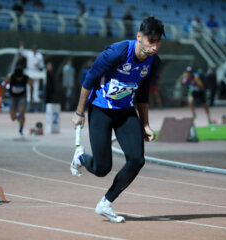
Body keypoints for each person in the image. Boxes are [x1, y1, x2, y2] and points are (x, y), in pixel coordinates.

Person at [71, 16, 165, 223]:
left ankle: (106, 203)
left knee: (137, 160)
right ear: (139, 37)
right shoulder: (118, 51)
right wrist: (79, 112)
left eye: (158, 41)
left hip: (125, 111)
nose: (155, 46)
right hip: (101, 110)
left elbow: (142, 94)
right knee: (102, 168)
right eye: (151, 41)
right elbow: (89, 79)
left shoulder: (153, 62)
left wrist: (145, 125)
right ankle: (80, 158)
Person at [1, 67, 33, 137]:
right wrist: (2, 97)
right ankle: (17, 117)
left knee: (22, 113)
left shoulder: (27, 78)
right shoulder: (10, 77)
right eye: (17, 78)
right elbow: (3, 87)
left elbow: (31, 87)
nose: (19, 79)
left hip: (22, 97)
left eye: (20, 78)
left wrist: (31, 99)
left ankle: (21, 129)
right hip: (13, 97)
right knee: (13, 118)